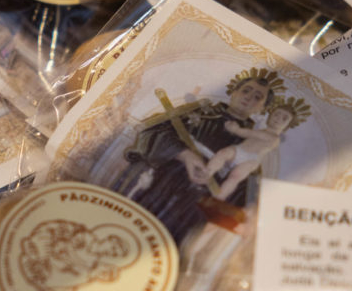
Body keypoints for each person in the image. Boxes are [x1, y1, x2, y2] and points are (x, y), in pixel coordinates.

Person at [112, 69, 285, 244]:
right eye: (246, 90)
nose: (248, 97)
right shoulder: (201, 113)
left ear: (262, 108)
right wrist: (185, 155)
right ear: (234, 92)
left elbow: (242, 197)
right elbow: (151, 133)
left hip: (191, 205)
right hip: (163, 181)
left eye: (257, 97)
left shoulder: (254, 144)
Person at [204, 97, 310, 201]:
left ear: (287, 126)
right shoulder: (261, 130)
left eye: (284, 118)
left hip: (250, 160)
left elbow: (251, 134)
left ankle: (219, 198)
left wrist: (236, 130)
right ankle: (206, 174)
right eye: (276, 114)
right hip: (239, 150)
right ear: (270, 116)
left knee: (235, 177)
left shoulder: (274, 138)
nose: (278, 118)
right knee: (223, 153)